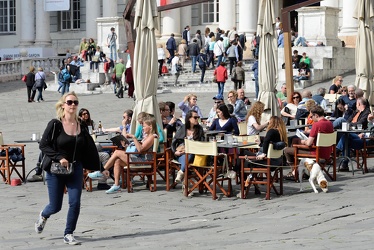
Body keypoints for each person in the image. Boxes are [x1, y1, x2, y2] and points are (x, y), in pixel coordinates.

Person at [35, 91, 100, 245]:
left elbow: (89, 147)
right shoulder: (55, 124)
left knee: (75, 201)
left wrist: (99, 167)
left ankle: (68, 233)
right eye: (69, 102)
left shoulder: (81, 125)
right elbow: (43, 145)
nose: (72, 105)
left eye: (75, 103)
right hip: (55, 170)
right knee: (55, 206)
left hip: (75, 168)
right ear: (63, 105)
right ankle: (44, 215)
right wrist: (59, 157)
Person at [100, 116, 159, 194]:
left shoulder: (152, 137)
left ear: (150, 126)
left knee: (117, 152)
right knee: (117, 161)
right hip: (140, 158)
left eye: (144, 126)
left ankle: (102, 171)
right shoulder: (147, 136)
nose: (142, 128)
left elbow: (140, 149)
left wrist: (134, 138)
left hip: (145, 161)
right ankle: (116, 185)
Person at [284, 106, 334, 178]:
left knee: (287, 150)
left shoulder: (316, 125)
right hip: (327, 152)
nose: (311, 118)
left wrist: (303, 141)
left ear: (316, 115)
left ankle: (295, 172)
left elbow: (309, 143)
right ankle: (301, 170)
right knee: (295, 141)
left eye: (311, 116)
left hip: (316, 152)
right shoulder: (329, 123)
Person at [243, 116, 287, 187]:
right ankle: (252, 184)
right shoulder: (281, 133)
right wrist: (261, 144)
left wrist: (264, 154)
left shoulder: (271, 131)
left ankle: (244, 185)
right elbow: (271, 146)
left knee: (242, 157)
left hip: (267, 161)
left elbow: (266, 141)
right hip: (277, 161)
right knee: (243, 155)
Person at [172, 110, 205, 183]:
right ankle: (185, 184)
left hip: (194, 153)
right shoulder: (182, 128)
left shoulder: (199, 129)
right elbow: (174, 142)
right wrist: (175, 152)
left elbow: (202, 142)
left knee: (189, 155)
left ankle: (181, 173)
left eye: (198, 117)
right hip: (182, 152)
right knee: (186, 158)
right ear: (189, 118)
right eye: (195, 117)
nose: (197, 119)